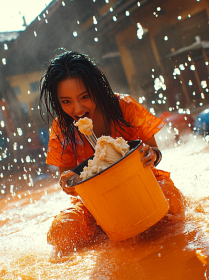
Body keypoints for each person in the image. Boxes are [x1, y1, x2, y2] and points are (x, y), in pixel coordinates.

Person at [39, 51, 185, 254]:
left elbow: (155, 153)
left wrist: (150, 155)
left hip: (143, 187)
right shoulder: (61, 130)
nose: (78, 108)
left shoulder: (124, 107)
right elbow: (67, 181)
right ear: (58, 102)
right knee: (62, 233)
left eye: (85, 96)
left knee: (172, 207)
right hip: (98, 203)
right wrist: (70, 182)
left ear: (97, 89)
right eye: (66, 102)